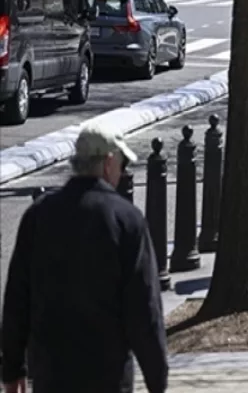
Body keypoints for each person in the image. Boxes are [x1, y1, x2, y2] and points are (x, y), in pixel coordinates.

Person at [1, 125, 168, 393]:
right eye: (122, 164)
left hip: (51, 374)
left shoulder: (39, 215)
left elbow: (17, 299)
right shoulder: (126, 220)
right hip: (107, 375)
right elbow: (144, 308)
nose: (122, 172)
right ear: (108, 163)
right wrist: (156, 379)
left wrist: (12, 369)